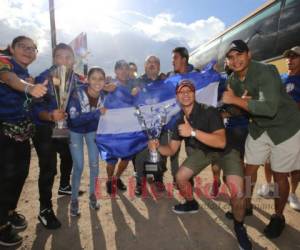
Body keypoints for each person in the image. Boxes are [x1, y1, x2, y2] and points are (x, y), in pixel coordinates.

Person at [149, 79, 252, 250]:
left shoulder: (209, 111)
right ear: (177, 97)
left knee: (238, 193)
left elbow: (220, 142)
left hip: (226, 150)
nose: (186, 94)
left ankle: (239, 225)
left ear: (194, 94)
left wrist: (193, 132)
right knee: (180, 177)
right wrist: (157, 146)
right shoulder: (178, 120)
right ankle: (191, 203)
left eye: (189, 90)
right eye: (182, 91)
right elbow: (172, 149)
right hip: (204, 151)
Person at [222, 40, 300, 239]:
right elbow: (235, 107)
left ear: (249, 54)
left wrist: (238, 101)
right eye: (231, 57)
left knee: (280, 175)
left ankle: (278, 216)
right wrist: (227, 110)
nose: (235, 60)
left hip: (285, 129)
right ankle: (245, 206)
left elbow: (269, 108)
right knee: (248, 170)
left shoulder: (266, 71)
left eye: (239, 54)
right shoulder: (232, 81)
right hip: (259, 128)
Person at [0, 36, 47, 246]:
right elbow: (10, 80)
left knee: (21, 174)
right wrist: (29, 88)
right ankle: (1, 227)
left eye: (32, 48)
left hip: (22, 134)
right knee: (5, 177)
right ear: (12, 48)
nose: (29, 51)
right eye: (23, 47)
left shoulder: (26, 73)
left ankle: (9, 211)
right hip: (4, 133)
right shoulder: (4, 62)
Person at [32, 43, 82, 229]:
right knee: (48, 168)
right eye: (60, 56)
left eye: (68, 57)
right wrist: (51, 115)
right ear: (54, 59)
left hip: (63, 127)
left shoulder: (74, 79)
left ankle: (64, 185)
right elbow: (35, 107)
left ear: (73, 61)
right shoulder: (44, 78)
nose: (64, 60)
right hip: (44, 128)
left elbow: (80, 98)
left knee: (68, 156)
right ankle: (45, 209)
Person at [257, 46, 300, 209]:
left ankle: (293, 193)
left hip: (294, 129)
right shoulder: (280, 78)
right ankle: (269, 186)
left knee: (296, 166)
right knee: (269, 160)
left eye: (294, 57)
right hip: (274, 127)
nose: (289, 60)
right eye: (288, 57)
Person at [67, 67, 107, 216]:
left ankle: (93, 196)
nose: (97, 82)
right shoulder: (77, 94)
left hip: (92, 131)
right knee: (78, 165)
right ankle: (74, 200)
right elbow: (75, 120)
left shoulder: (104, 96)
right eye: (94, 78)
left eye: (100, 79)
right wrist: (96, 113)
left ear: (105, 81)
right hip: (75, 131)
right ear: (87, 80)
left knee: (94, 164)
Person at [133, 55, 168, 195]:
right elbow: (126, 98)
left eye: (155, 62)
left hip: (161, 126)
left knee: (161, 153)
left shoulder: (165, 83)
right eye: (149, 62)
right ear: (144, 65)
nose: (152, 64)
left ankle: (158, 178)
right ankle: (139, 181)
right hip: (142, 127)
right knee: (140, 155)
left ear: (159, 67)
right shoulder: (137, 82)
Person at [105, 60, 136, 195]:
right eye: (120, 69)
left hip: (128, 128)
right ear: (116, 71)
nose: (124, 71)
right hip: (112, 129)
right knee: (112, 159)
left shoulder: (132, 86)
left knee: (126, 158)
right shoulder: (110, 86)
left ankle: (116, 178)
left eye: (126, 69)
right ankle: (109, 180)